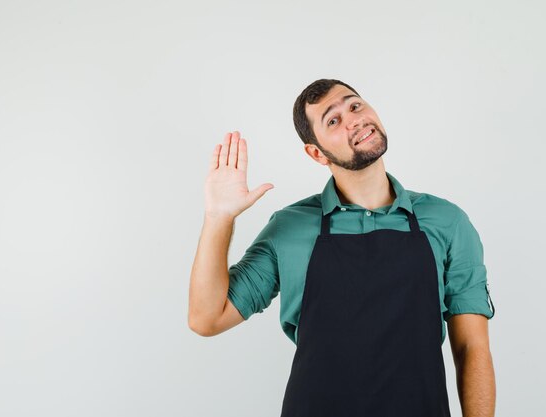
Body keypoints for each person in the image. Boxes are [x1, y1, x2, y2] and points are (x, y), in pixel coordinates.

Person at [188, 79, 496, 417]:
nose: (354, 119)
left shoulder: (446, 221)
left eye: (355, 105)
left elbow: (471, 348)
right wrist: (219, 217)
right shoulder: (289, 228)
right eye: (333, 121)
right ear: (316, 152)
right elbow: (207, 318)